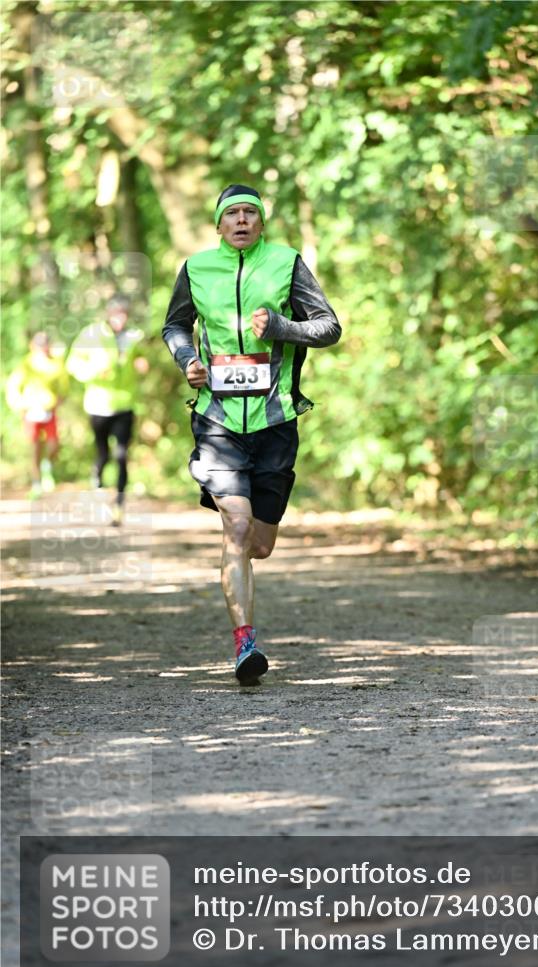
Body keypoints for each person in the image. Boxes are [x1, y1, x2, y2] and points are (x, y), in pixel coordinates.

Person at [162, 183, 341, 685]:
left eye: (250, 213)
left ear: (261, 223)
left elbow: (329, 327)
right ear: (218, 225)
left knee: (259, 544)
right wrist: (189, 361)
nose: (241, 221)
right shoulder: (197, 269)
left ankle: (246, 618)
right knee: (236, 529)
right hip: (217, 420)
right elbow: (175, 327)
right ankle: (246, 644)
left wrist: (283, 327)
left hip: (275, 419)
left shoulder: (286, 262)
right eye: (232, 214)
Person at [67, 294, 146, 526]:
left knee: (121, 455)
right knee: (103, 453)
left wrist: (142, 364)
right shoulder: (91, 334)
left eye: (125, 313)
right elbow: (73, 364)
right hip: (98, 404)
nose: (121, 318)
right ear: (109, 314)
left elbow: (140, 358)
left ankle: (119, 506)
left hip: (125, 404)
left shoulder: (134, 336)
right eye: (117, 313)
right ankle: (97, 481)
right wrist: (94, 372)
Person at [5, 331, 69, 498]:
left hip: (49, 411)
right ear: (33, 347)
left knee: (53, 445)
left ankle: (47, 465)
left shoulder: (57, 365)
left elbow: (64, 388)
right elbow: (13, 387)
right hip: (31, 412)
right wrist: (20, 405)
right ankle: (36, 484)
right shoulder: (26, 364)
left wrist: (58, 402)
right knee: (34, 448)